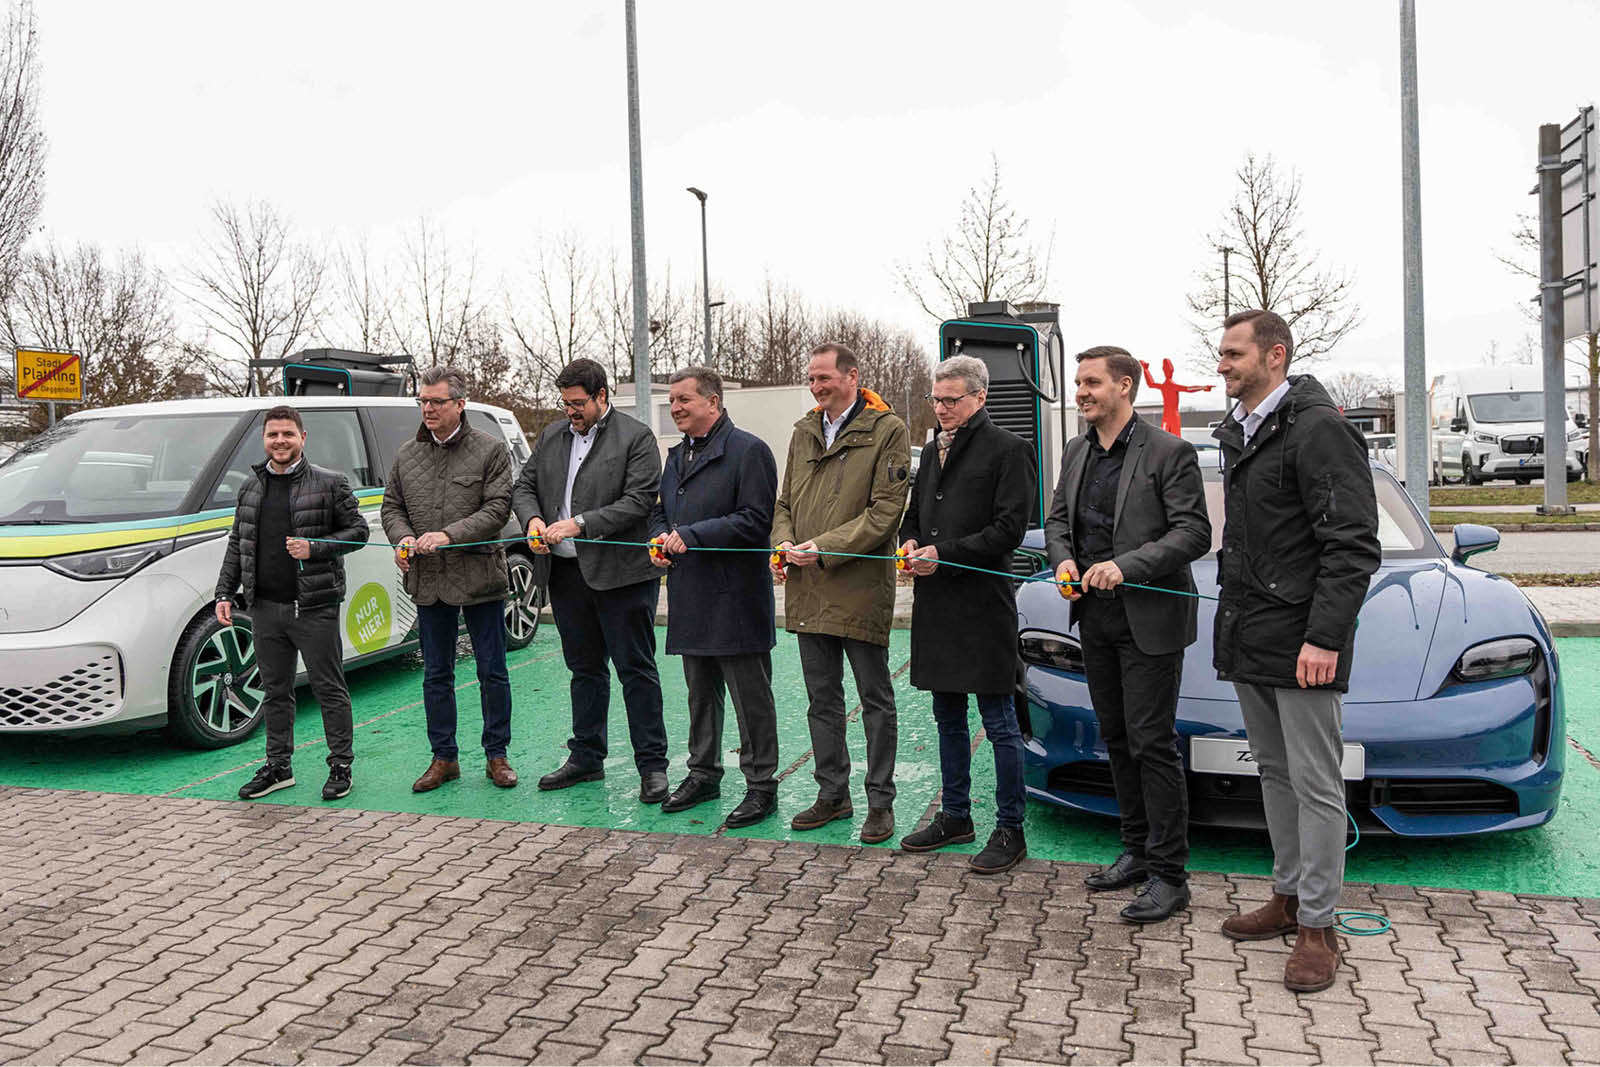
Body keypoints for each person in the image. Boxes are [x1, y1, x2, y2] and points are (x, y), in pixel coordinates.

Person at [1211, 309, 1380, 992]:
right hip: (1251, 633)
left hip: (1303, 640)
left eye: (1233, 353)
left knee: (1316, 783)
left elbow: (1352, 544)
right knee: (1274, 774)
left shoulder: (1317, 430)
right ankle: (1286, 896)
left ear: (1274, 355)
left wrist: (1324, 637)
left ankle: (1318, 926)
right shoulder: (1243, 430)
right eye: (1221, 353)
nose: (1222, 364)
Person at [1044, 346, 1211, 922]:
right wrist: (1064, 561)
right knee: (1115, 738)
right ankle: (1137, 851)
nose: (1081, 392)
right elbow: (1058, 520)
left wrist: (1126, 566)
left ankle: (1170, 874)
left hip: (1150, 619)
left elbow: (1193, 533)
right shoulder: (1076, 450)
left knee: (1151, 743)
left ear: (1124, 386)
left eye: (1091, 382)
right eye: (1078, 382)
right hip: (1093, 617)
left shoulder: (1169, 451)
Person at [895, 356, 1035, 874]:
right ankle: (955, 815)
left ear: (980, 397)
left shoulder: (1010, 449)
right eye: (936, 399)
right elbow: (915, 515)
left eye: (951, 399)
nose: (941, 408)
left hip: (983, 606)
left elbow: (1009, 530)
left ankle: (1010, 828)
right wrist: (910, 542)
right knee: (947, 717)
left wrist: (944, 554)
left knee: (999, 722)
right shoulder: (934, 448)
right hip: (937, 605)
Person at [771, 341, 911, 844]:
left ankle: (880, 803)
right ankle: (833, 795)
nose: (816, 386)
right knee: (822, 700)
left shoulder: (888, 429)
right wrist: (783, 542)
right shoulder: (804, 430)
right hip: (808, 588)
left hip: (859, 588)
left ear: (852, 377)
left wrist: (823, 548)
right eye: (811, 378)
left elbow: (885, 513)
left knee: (875, 699)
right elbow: (784, 503)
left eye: (824, 377)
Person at [513, 358, 671, 804]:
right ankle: (586, 757)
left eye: (578, 403)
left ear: (602, 396)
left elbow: (639, 501)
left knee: (635, 670)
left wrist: (580, 524)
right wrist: (533, 519)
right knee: (583, 669)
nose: (571, 411)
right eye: (565, 403)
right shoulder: (551, 436)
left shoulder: (636, 438)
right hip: (566, 575)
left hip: (622, 576)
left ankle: (652, 766)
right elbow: (523, 487)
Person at [648, 367, 781, 828]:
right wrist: (659, 538)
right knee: (700, 696)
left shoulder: (749, 451)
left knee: (751, 700)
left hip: (736, 599)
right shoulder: (676, 455)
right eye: (672, 400)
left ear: (713, 402)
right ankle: (703, 774)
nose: (675, 407)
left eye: (684, 399)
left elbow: (756, 520)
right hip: (691, 595)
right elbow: (660, 511)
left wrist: (692, 535)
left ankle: (761, 786)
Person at [216, 404, 369, 802]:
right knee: (275, 691)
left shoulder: (330, 484)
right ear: (264, 439)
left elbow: (359, 532)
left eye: (287, 434)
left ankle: (340, 766)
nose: (280, 441)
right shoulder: (251, 487)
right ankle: (278, 767)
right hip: (264, 607)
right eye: (273, 435)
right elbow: (238, 542)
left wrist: (314, 547)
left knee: (328, 689)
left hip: (314, 607)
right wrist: (224, 592)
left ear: (303, 438)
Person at [381, 367, 517, 794]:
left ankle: (497, 756)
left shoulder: (491, 450)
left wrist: (448, 535)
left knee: (492, 671)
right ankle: (444, 758)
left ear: (460, 404)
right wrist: (402, 538)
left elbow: (498, 509)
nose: (428, 409)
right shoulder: (407, 454)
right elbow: (391, 506)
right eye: (423, 401)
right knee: (436, 675)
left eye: (436, 401)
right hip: (430, 581)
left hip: (480, 578)